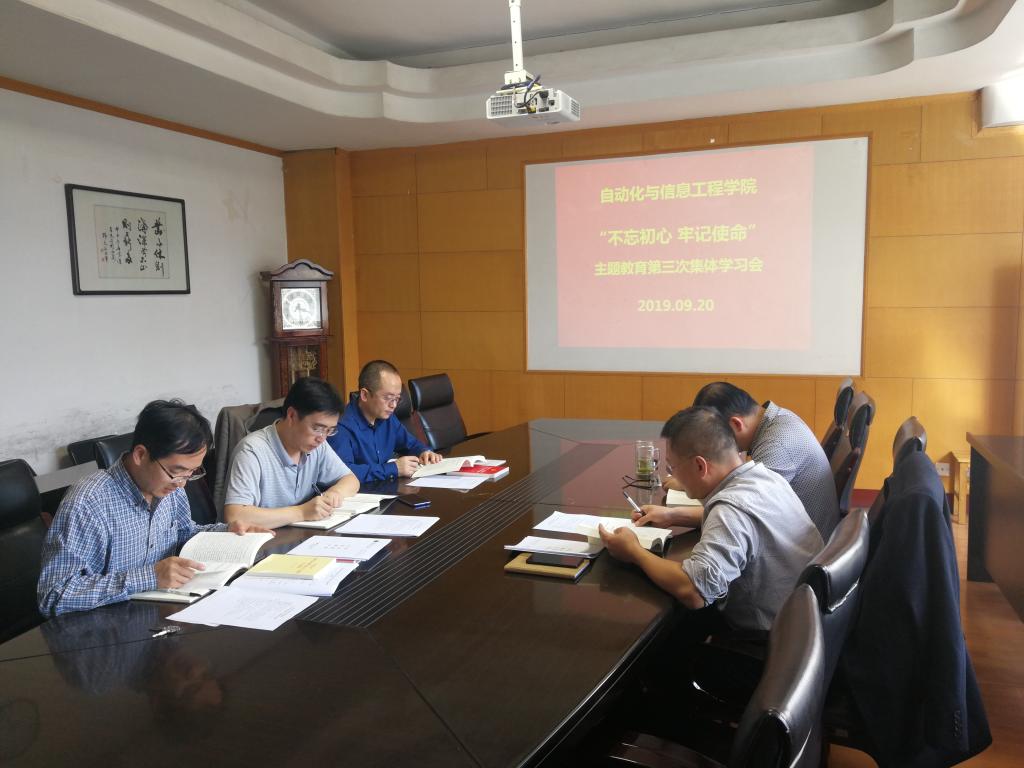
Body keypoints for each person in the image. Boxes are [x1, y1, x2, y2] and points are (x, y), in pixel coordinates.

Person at [37, 400, 271, 617]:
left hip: (159, 614)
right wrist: (149, 577)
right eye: (176, 471)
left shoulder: (170, 486)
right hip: (104, 632)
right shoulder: (88, 502)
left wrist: (227, 532)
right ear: (140, 455)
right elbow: (54, 595)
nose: (182, 484)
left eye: (191, 473)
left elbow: (183, 533)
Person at [601, 407, 823, 632]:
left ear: (700, 466)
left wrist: (634, 551)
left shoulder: (730, 510)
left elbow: (694, 591)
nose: (672, 475)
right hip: (805, 623)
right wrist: (672, 515)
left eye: (672, 467)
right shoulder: (766, 476)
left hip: (768, 639)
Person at [638, 382, 839, 540]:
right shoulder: (775, 420)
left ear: (736, 424)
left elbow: (742, 514)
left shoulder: (777, 446)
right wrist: (688, 481)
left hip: (805, 557)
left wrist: (673, 515)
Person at [223, 377, 359, 528]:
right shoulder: (252, 451)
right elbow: (235, 515)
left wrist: (334, 494)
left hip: (299, 535)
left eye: (330, 430)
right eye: (317, 428)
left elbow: (351, 480)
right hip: (261, 539)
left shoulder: (317, 445)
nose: (322, 438)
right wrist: (301, 512)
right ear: (292, 415)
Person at [327, 360, 442, 482]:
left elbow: (411, 444)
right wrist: (393, 469)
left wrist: (424, 452)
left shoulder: (387, 417)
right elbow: (343, 473)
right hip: (361, 492)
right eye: (388, 398)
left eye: (397, 399)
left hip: (386, 487)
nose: (393, 405)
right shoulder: (340, 426)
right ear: (365, 395)